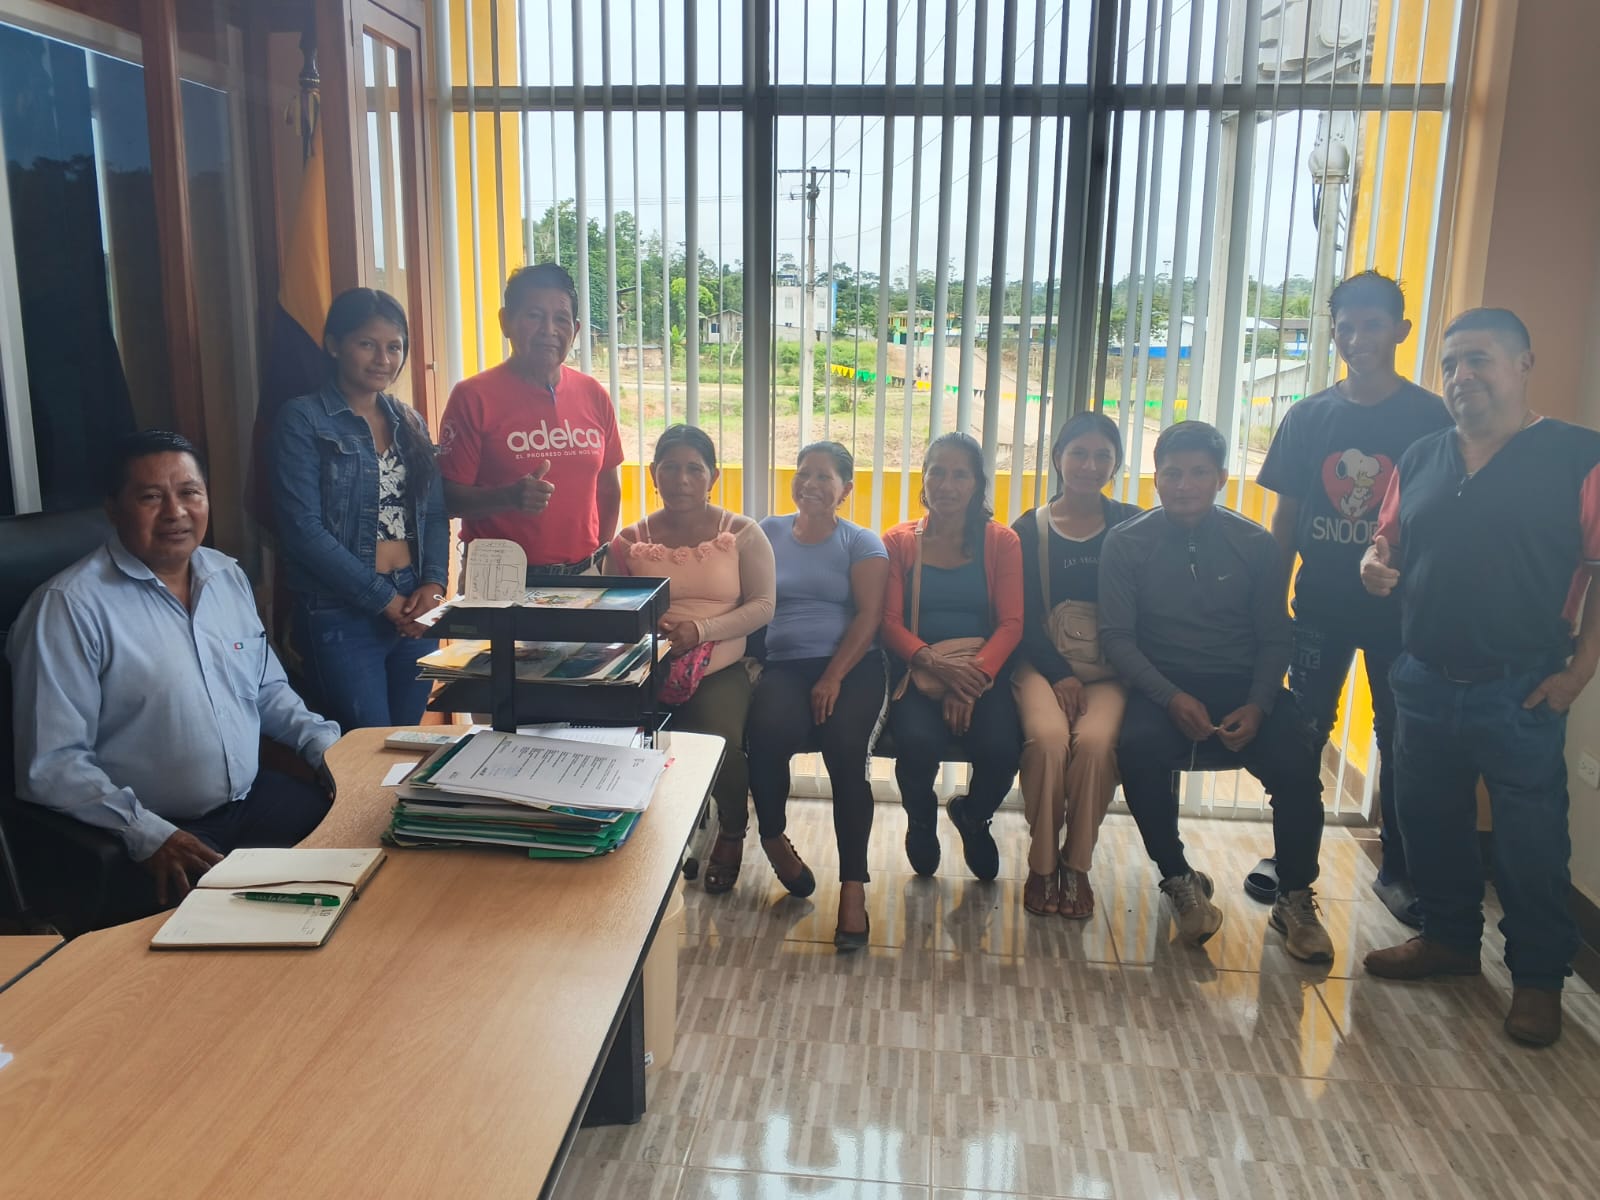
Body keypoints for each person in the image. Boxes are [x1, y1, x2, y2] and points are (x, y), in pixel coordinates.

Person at [1360, 308, 1600, 1048]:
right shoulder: (1421, 456)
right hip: (1423, 677)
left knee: (1531, 844)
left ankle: (1539, 981)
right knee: (1429, 821)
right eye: (1450, 364)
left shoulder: (1580, 457)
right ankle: (1450, 940)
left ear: (1524, 363)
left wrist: (1579, 673)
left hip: (1522, 686)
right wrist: (1371, 565)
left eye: (1479, 359)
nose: (1462, 376)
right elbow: (1386, 542)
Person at [8, 431, 340, 914]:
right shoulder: (69, 609)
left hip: (250, 802)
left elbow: (267, 689)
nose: (175, 512)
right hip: (153, 828)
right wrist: (145, 833)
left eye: (189, 492)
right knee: (241, 931)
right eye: (150, 497)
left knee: (359, 847)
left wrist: (327, 749)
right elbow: (52, 764)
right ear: (113, 509)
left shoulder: (225, 576)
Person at [1257, 271, 1450, 926]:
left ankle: (1399, 868)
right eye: (1345, 327)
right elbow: (1286, 520)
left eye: (1373, 325)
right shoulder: (1309, 416)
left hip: (1403, 612)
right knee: (1303, 730)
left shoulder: (1431, 418)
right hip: (1319, 605)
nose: (1357, 338)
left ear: (1401, 330)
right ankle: (1289, 861)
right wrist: (1270, 602)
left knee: (1400, 736)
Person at [1101, 420, 1331, 960]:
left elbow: (1275, 635)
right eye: (1172, 474)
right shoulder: (1126, 543)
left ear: (1221, 478)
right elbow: (1116, 639)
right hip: (1162, 687)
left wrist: (1260, 703)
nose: (1184, 485)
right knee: (1136, 749)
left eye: (1198, 473)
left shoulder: (1255, 544)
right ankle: (1180, 880)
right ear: (1156, 478)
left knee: (1298, 762)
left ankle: (1295, 898)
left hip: (1243, 687)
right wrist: (1169, 697)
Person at [271, 288, 448, 729]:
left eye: (394, 347)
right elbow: (302, 529)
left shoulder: (410, 421)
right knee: (363, 748)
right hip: (339, 610)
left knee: (405, 740)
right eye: (367, 344)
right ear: (334, 344)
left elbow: (433, 513)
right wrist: (383, 599)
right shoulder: (303, 419)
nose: (382, 359)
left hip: (412, 604)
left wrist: (433, 584)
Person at [609, 424, 775, 893]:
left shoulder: (742, 533)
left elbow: (763, 606)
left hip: (719, 666)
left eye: (694, 469)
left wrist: (699, 631)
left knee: (717, 738)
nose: (681, 479)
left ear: (713, 477)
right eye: (670, 468)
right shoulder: (628, 541)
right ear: (653, 474)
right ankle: (630, 836)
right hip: (647, 665)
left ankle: (733, 828)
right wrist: (650, 628)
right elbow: (612, 607)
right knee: (614, 737)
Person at [746, 442, 890, 952]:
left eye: (824, 477)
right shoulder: (767, 531)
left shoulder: (861, 542)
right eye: (803, 473)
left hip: (853, 667)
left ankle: (853, 888)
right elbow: (748, 597)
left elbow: (870, 616)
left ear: (845, 489)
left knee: (846, 753)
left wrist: (832, 677)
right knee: (764, 736)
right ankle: (773, 839)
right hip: (786, 665)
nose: (810, 484)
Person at [1010, 412, 1141, 918]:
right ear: (1057, 459)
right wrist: (1060, 673)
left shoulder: (1134, 524)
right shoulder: (1029, 530)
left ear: (1116, 463)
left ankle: (1077, 864)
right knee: (1047, 741)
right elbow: (1019, 617)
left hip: (1110, 668)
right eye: (1079, 454)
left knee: (1095, 744)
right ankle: (1042, 864)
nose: (1090, 465)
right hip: (1041, 665)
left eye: (1102, 456)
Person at [882, 432, 1023, 883]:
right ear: (923, 478)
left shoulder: (1002, 542)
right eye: (937, 472)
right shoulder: (899, 541)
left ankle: (973, 817)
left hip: (983, 672)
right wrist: (938, 667)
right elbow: (888, 622)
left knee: (1002, 750)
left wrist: (969, 682)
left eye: (960, 475)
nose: (947, 484)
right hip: (919, 670)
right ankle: (921, 819)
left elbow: (1011, 624)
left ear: (977, 483)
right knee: (916, 745)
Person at [438, 263, 624, 578]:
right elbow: (446, 498)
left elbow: (608, 489)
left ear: (576, 330)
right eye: (534, 316)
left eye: (561, 319)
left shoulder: (593, 394)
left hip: (583, 575)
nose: (549, 330)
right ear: (505, 322)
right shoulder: (473, 396)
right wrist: (508, 497)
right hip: (498, 577)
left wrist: (600, 558)